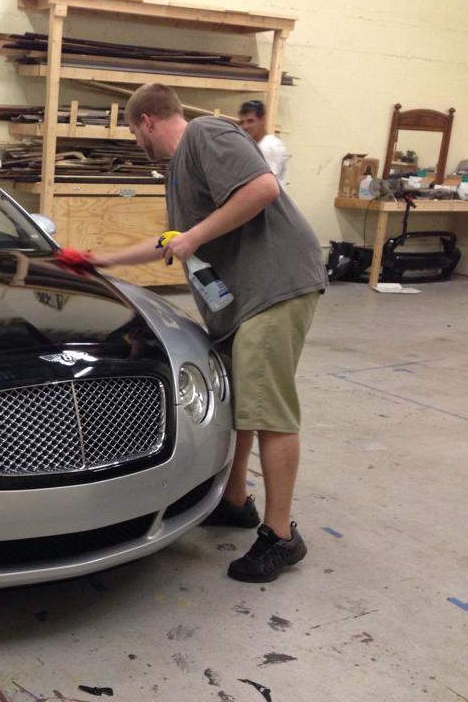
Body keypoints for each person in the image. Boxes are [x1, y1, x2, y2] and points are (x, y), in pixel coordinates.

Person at [91, 84, 327, 583]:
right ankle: (235, 500)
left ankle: (281, 535)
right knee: (239, 400)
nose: (136, 142)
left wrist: (195, 236)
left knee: (268, 408)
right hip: (240, 301)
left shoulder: (205, 133)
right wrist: (102, 260)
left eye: (133, 132)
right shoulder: (177, 171)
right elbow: (171, 242)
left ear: (147, 121)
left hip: (274, 286)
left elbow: (262, 189)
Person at [238, 99, 288, 184]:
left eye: (250, 121)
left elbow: (266, 183)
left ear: (262, 120)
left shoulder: (268, 146)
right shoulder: (254, 146)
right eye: (242, 122)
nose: (245, 127)